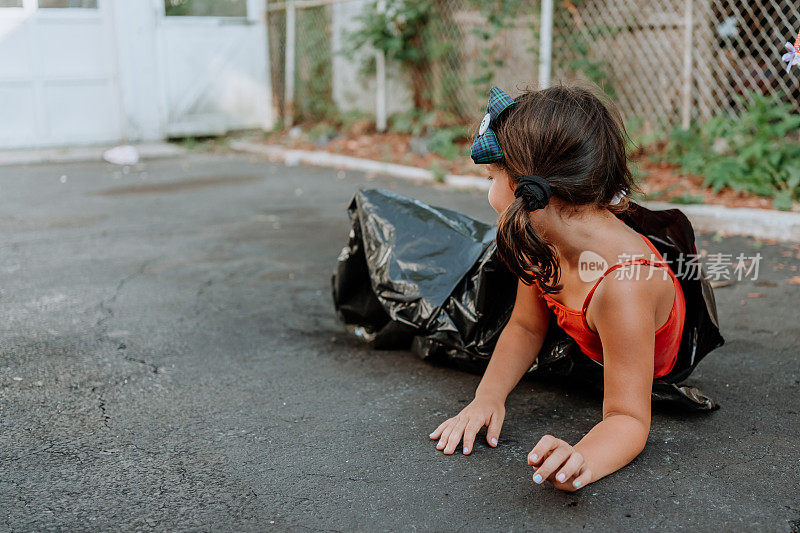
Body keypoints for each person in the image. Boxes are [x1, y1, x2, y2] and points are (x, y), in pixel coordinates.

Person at [428, 83, 687, 492]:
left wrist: (585, 457)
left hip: (636, 353)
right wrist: (488, 397)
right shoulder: (539, 237)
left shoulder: (622, 288)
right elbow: (526, 327)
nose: (489, 191)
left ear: (530, 192)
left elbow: (629, 417)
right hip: (590, 334)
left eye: (494, 176)